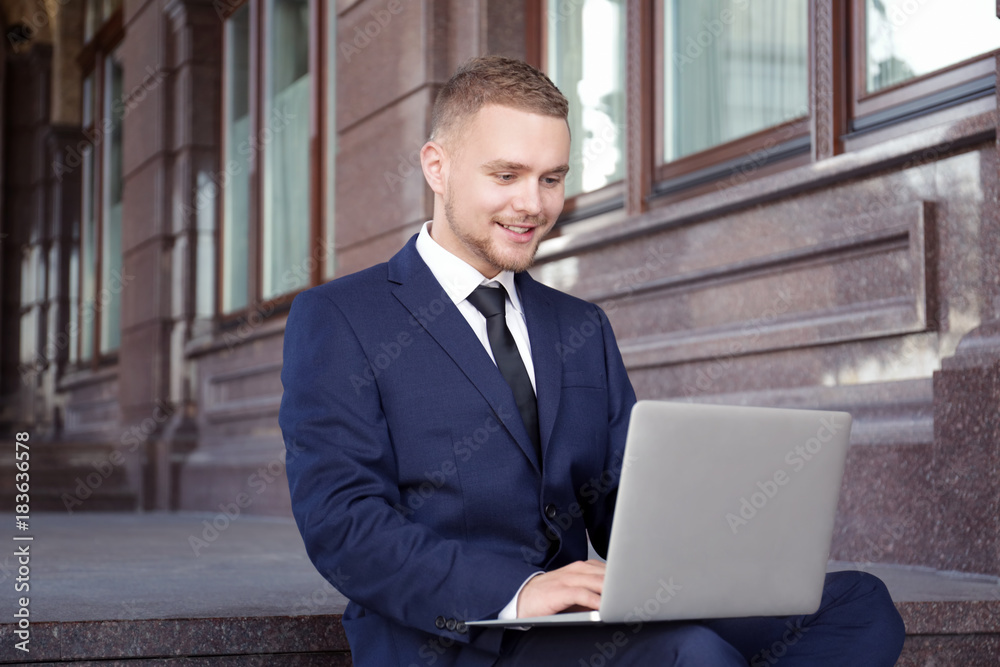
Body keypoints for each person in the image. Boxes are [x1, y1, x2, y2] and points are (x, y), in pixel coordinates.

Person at [278, 55, 905, 667]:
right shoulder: (341, 319)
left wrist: (722, 549)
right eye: (507, 176)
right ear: (437, 168)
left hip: (580, 620)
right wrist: (518, 591)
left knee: (861, 605)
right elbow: (344, 525)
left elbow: (625, 505)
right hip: (455, 634)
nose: (533, 205)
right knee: (693, 652)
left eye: (552, 178)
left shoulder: (579, 325)